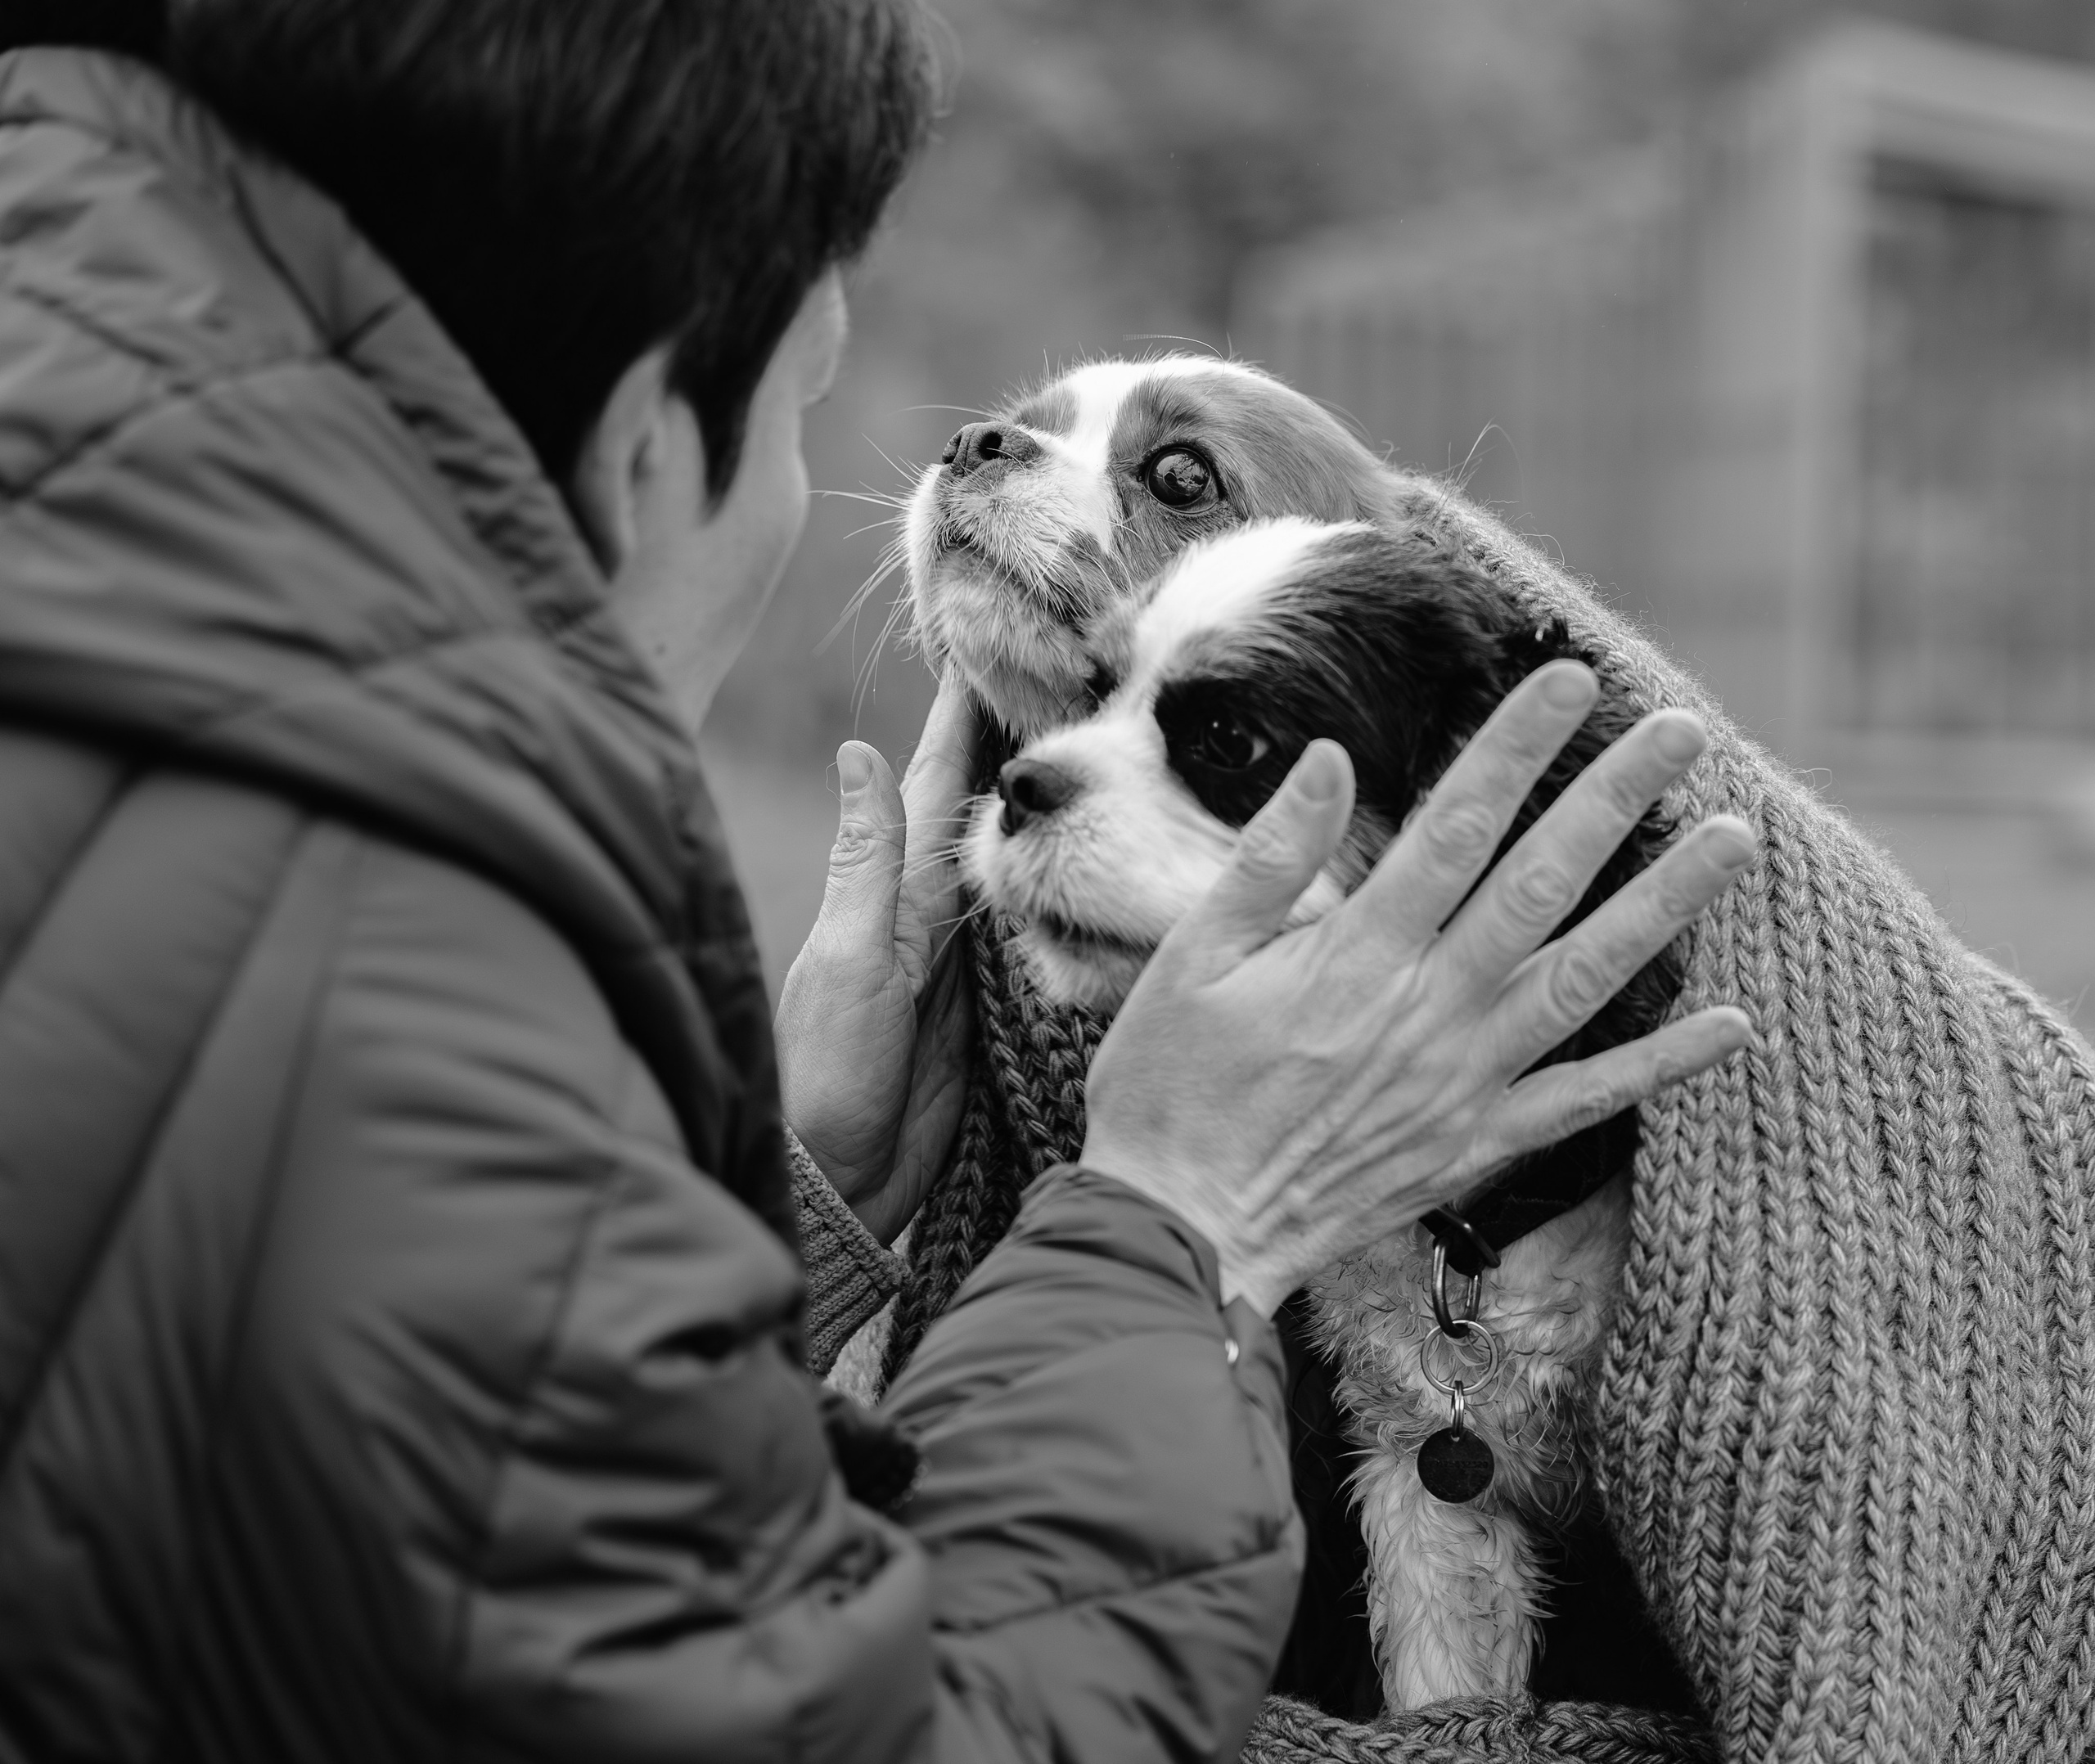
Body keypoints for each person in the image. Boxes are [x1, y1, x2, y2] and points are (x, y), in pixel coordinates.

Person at [0, 3, 1755, 1759]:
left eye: (1165, 478)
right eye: (805, 403)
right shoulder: (396, 992)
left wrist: (801, 1187)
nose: (956, 467)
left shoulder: (201, 851)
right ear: (638, 436)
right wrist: (1177, 1210)